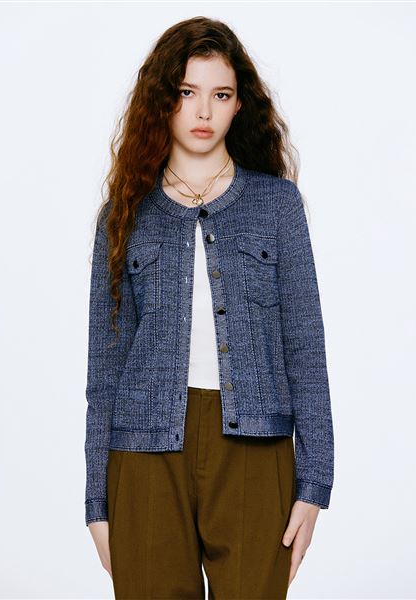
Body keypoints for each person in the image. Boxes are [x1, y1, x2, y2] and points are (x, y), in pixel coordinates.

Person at [84, 15, 334, 600]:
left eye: (220, 94)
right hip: (144, 454)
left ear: (239, 104)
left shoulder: (277, 205)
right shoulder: (124, 215)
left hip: (256, 453)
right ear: (162, 102)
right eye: (186, 92)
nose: (203, 111)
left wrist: (314, 485)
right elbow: (105, 367)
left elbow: (305, 347)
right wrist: (97, 500)